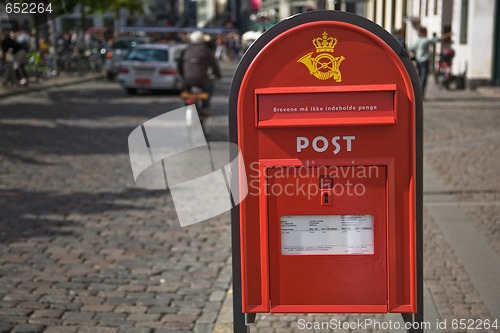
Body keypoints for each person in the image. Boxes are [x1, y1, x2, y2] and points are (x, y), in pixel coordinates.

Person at [177, 30, 222, 114]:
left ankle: (187, 106)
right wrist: (218, 75)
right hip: (202, 79)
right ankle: (205, 107)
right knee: (209, 90)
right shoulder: (206, 50)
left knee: (186, 92)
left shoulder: (185, 50)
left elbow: (179, 65)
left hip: (187, 80)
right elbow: (214, 65)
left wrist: (183, 76)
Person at [411, 26, 452, 98]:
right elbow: (436, 39)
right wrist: (448, 35)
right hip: (424, 60)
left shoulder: (417, 40)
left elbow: (412, 48)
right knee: (423, 77)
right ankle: (421, 94)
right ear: (423, 32)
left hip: (418, 60)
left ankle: (418, 93)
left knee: (419, 77)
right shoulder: (425, 40)